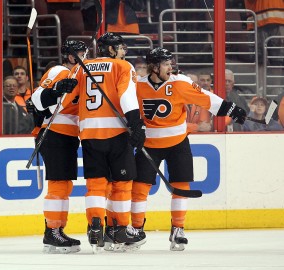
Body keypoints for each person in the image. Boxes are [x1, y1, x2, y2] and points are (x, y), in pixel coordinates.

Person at [130, 47, 246, 251]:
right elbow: (127, 108)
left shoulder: (180, 82)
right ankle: (137, 228)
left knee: (181, 186)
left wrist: (231, 109)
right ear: (154, 67)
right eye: (166, 64)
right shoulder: (138, 86)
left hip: (177, 143)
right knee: (139, 188)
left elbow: (206, 98)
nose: (170, 67)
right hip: (149, 144)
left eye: (170, 63)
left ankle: (178, 229)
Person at [60, 32, 146, 252]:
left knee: (96, 182)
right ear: (110, 49)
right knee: (121, 183)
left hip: (88, 133)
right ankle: (119, 228)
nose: (124, 52)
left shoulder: (82, 67)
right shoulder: (122, 66)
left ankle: (95, 225)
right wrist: (136, 125)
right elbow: (127, 95)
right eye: (121, 47)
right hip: (116, 132)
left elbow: (65, 100)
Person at [31, 40, 87, 254]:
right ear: (70, 56)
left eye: (84, 52)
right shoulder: (60, 70)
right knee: (58, 185)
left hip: (68, 136)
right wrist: (55, 90)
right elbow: (37, 99)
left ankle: (58, 230)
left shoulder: (81, 76)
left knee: (65, 185)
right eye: (79, 53)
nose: (83, 56)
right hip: (54, 133)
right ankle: (51, 232)